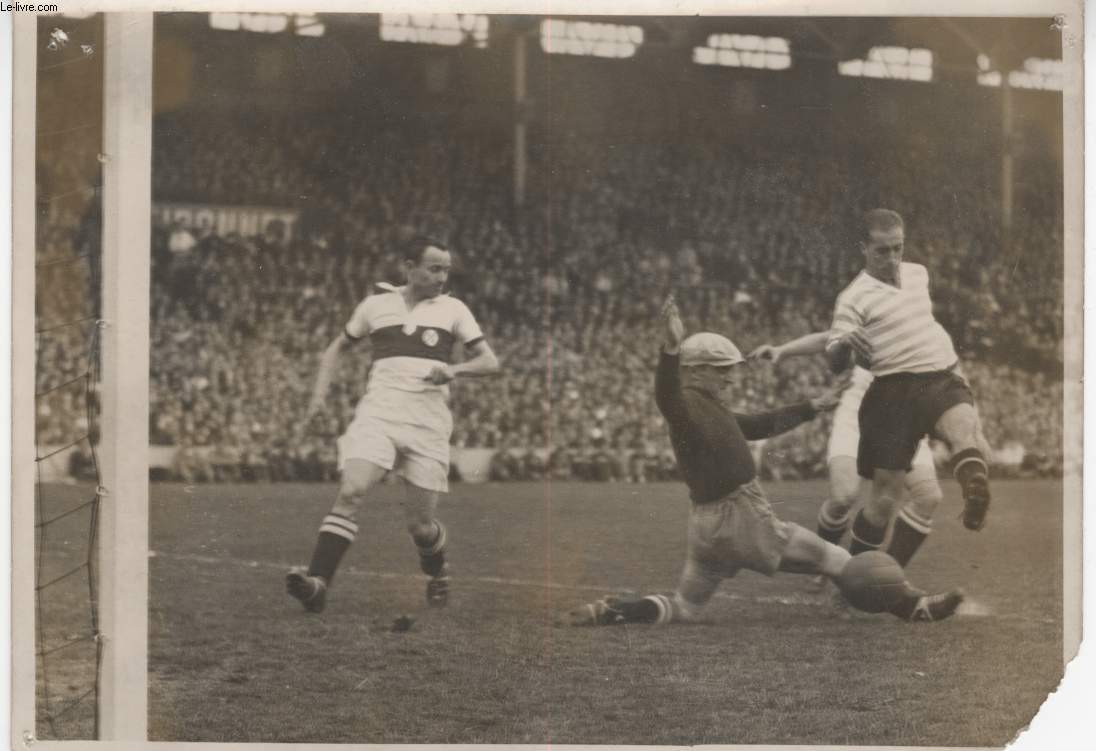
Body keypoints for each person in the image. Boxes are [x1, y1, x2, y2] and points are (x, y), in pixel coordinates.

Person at [563, 295, 963, 626]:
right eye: (722, 371)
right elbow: (667, 395)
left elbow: (756, 424)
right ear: (696, 371)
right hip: (742, 518)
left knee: (684, 608)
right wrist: (669, 350)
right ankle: (915, 608)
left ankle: (615, 611)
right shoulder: (685, 404)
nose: (731, 378)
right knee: (839, 559)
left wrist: (811, 406)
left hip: (705, 528)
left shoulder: (706, 408)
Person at [286, 236, 499, 613]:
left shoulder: (453, 309)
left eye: (446, 269)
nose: (442, 276)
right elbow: (335, 347)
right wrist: (318, 396)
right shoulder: (375, 305)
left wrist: (453, 369)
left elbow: (489, 362)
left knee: (421, 526)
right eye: (434, 268)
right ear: (409, 267)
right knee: (351, 490)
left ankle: (437, 570)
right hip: (378, 414)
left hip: (427, 424)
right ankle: (318, 584)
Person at [825, 209, 993, 560]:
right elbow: (833, 360)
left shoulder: (918, 274)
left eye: (897, 248)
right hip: (892, 393)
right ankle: (857, 578)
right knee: (884, 499)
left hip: (938, 377)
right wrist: (843, 345)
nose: (892, 258)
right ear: (863, 248)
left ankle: (975, 491)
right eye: (882, 251)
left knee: (964, 427)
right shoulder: (853, 297)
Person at [749, 333, 942, 569]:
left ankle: (886, 577)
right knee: (843, 497)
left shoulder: (924, 329)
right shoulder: (871, 316)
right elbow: (827, 338)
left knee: (928, 496)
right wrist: (782, 349)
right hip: (855, 418)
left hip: (901, 421)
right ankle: (822, 564)